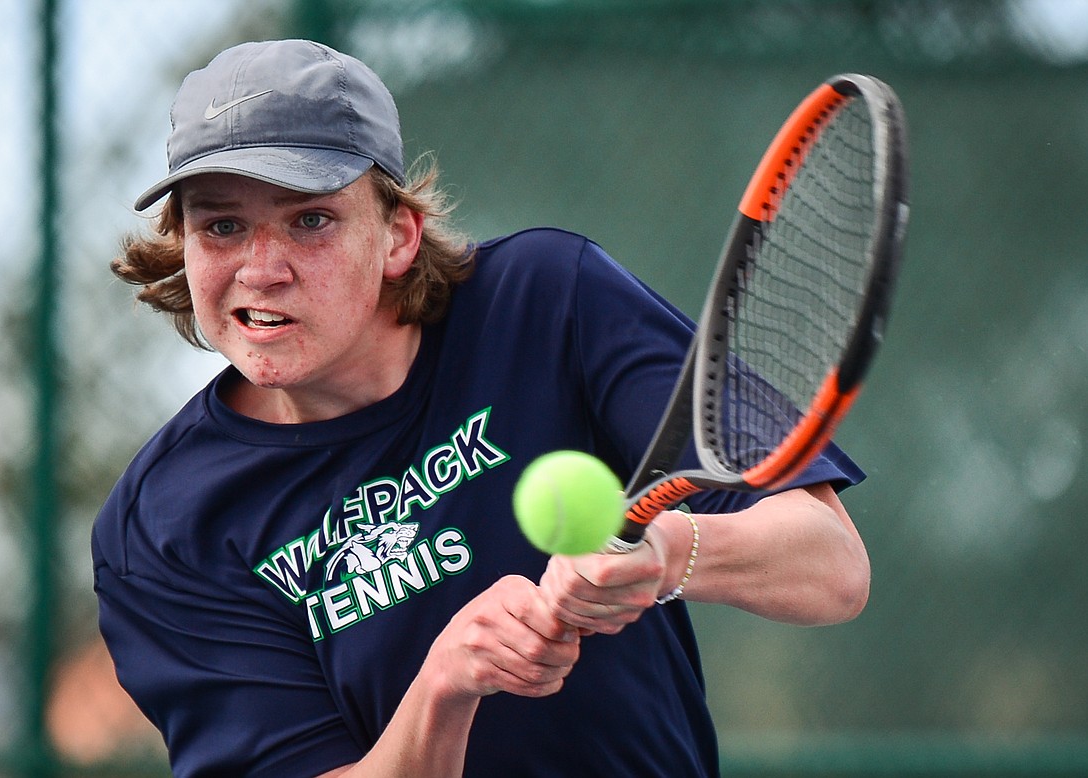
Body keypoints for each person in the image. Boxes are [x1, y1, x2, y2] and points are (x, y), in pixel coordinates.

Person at [92, 38, 871, 778]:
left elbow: (832, 567)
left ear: (398, 235)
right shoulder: (162, 527)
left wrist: (666, 552)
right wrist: (446, 685)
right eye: (222, 225)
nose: (262, 270)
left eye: (311, 220)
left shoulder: (548, 300)